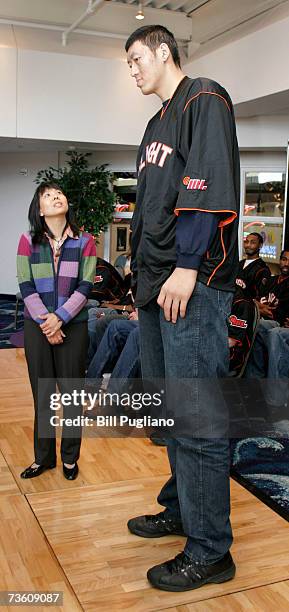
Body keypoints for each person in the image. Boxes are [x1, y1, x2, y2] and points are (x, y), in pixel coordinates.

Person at [125, 25, 240, 592]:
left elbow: (205, 185)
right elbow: (151, 206)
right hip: (155, 286)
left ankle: (210, 549)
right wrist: (137, 277)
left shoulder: (204, 97)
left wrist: (188, 267)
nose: (133, 70)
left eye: (137, 58)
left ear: (164, 51)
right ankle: (181, 509)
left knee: (197, 418)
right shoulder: (153, 125)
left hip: (192, 285)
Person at [17, 182, 96, 480]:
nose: (55, 197)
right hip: (37, 326)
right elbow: (25, 285)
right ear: (39, 209)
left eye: (59, 193)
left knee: (72, 395)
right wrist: (46, 322)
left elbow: (86, 286)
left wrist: (60, 318)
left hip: (72, 326)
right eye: (47, 196)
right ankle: (44, 458)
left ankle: (70, 458)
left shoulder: (85, 241)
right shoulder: (28, 241)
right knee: (44, 394)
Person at [245, 250, 289, 408]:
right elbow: (257, 301)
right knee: (257, 326)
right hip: (268, 320)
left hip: (280, 324)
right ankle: (254, 384)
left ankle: (275, 398)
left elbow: (277, 312)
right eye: (284, 259)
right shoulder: (270, 280)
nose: (286, 263)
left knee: (274, 333)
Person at [228, 232, 271, 374]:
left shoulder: (262, 269)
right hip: (231, 309)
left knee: (238, 349)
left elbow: (260, 299)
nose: (249, 245)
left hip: (246, 313)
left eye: (253, 242)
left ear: (260, 245)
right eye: (247, 241)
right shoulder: (238, 264)